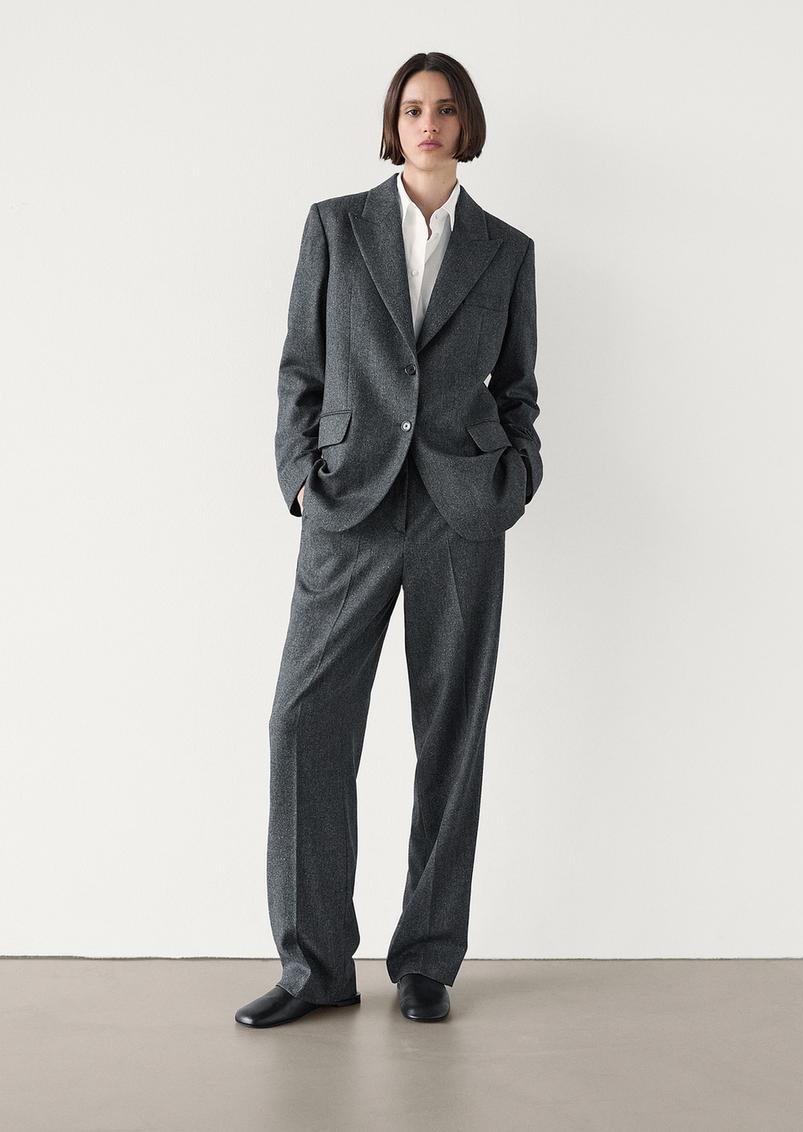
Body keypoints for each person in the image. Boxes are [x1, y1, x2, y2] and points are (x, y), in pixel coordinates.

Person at [236, 50, 543, 1029]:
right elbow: (300, 366)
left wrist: (514, 478)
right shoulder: (335, 226)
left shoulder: (505, 249)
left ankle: (427, 962)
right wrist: (299, 478)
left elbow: (519, 390)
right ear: (392, 123)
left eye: (444, 108)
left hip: (460, 515)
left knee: (449, 736)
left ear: (466, 125)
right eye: (413, 108)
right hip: (349, 508)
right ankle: (314, 964)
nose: (428, 122)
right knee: (303, 723)